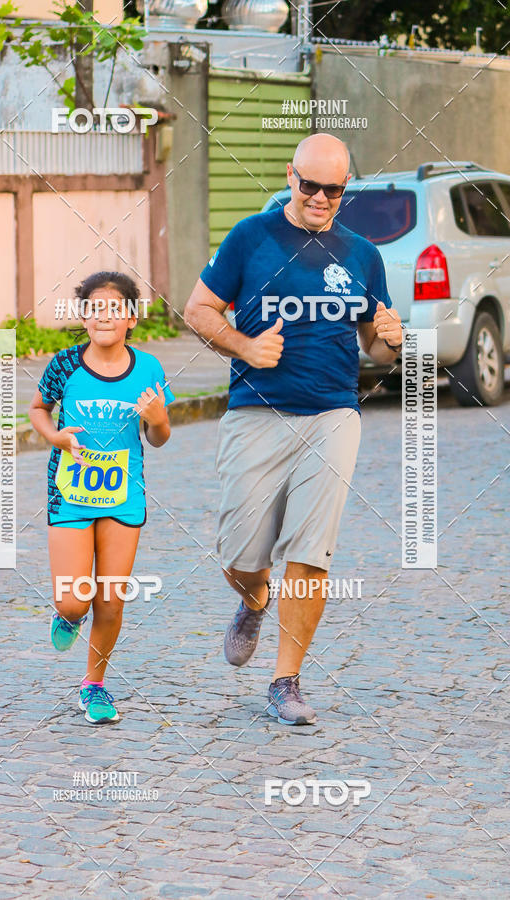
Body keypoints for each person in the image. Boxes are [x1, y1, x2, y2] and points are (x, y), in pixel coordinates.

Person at [184, 133, 403, 726]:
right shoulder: (250, 237)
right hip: (257, 411)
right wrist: (244, 346)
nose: (321, 198)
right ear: (290, 176)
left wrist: (389, 343)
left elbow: (374, 350)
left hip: (334, 413)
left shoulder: (362, 254)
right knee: (240, 552)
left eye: (334, 189)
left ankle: (286, 682)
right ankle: (253, 598)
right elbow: (197, 310)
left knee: (310, 553)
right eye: (311, 185)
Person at [29, 272, 174, 724]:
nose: (104, 316)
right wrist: (55, 437)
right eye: (94, 309)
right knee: (74, 599)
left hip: (124, 495)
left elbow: (160, 438)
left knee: (110, 600)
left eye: (114, 309)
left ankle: (94, 686)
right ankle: (68, 617)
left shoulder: (149, 369)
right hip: (69, 494)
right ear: (84, 318)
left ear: (131, 318)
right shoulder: (65, 365)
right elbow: (38, 409)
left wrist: (157, 417)